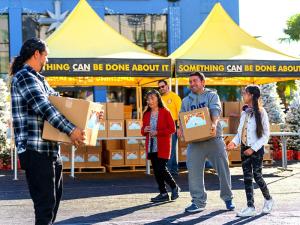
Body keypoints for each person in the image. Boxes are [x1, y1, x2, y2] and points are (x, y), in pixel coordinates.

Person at [10, 38, 86, 225]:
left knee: (52, 203)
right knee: (45, 207)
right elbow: (45, 108)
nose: (47, 60)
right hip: (35, 150)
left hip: (50, 150)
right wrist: (71, 130)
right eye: (46, 56)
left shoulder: (39, 79)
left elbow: (61, 104)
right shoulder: (24, 77)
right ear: (37, 54)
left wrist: (89, 118)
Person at [178, 72, 234, 212]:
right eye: (190, 81)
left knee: (223, 170)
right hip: (195, 143)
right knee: (194, 173)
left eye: (195, 81)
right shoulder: (186, 101)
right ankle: (198, 202)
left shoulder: (212, 95)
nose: (192, 83)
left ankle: (228, 198)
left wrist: (214, 124)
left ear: (203, 82)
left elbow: (215, 110)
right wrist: (180, 129)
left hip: (213, 139)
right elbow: (182, 117)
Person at [227, 85, 274, 217]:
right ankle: (250, 207)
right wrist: (233, 142)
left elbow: (266, 135)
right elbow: (239, 132)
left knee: (257, 176)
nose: (243, 95)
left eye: (245, 93)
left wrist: (253, 149)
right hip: (244, 149)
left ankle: (268, 199)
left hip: (256, 150)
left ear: (252, 95)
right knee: (247, 178)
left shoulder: (262, 112)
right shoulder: (244, 113)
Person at [141, 89, 180, 202]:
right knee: (157, 171)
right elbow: (143, 131)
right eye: (148, 99)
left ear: (158, 99)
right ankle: (163, 193)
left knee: (161, 168)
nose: (150, 101)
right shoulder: (146, 114)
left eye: (152, 98)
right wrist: (145, 129)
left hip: (162, 146)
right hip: (151, 146)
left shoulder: (165, 112)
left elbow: (172, 129)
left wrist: (158, 132)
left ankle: (174, 187)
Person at [158, 80, 182, 176]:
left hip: (173, 125)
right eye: (159, 87)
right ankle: (174, 170)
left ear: (167, 86)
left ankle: (169, 170)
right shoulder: (160, 98)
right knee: (167, 148)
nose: (161, 88)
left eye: (162, 86)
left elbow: (180, 112)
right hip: (163, 126)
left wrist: (179, 127)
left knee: (170, 149)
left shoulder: (175, 97)